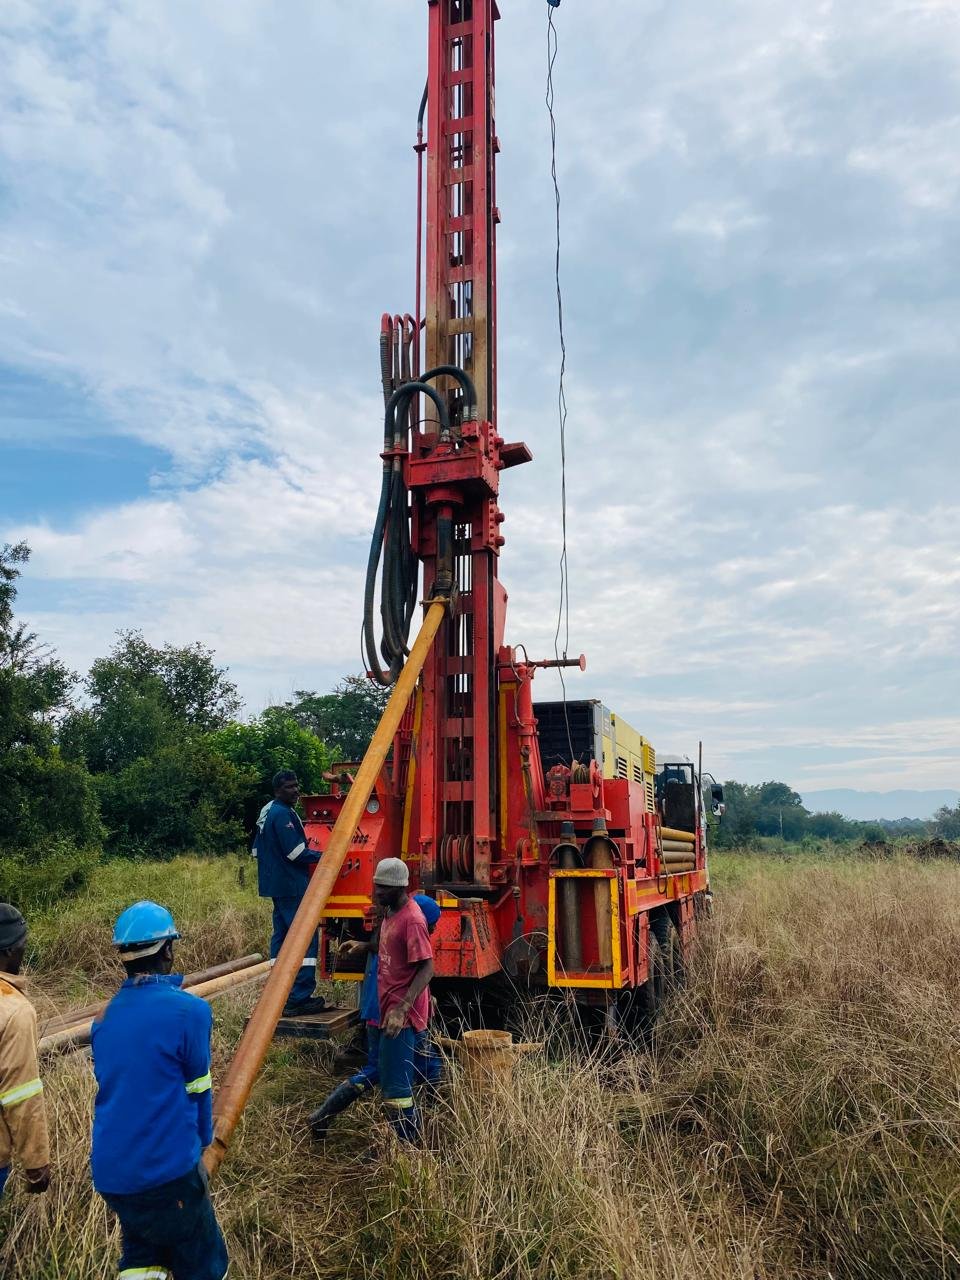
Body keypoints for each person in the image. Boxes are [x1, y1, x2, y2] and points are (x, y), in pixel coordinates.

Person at [90, 901, 228, 1280]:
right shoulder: (190, 1012)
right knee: (205, 1264)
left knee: (142, 1258)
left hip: (113, 1173)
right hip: (166, 1172)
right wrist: (203, 1143)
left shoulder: (103, 1018)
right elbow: (198, 1087)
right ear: (168, 949)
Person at [307, 893, 442, 1140]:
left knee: (378, 1070)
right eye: (432, 924)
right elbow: (414, 975)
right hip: (397, 1022)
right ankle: (416, 1136)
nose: (432, 930)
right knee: (427, 1070)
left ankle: (323, 1115)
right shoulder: (407, 937)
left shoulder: (390, 937)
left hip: (378, 1017)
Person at [372, 859, 435, 1144]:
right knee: (421, 1068)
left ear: (399, 888)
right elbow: (387, 946)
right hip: (391, 1008)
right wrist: (362, 947)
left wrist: (401, 1009)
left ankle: (408, 1145)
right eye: (376, 885)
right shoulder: (390, 912)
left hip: (402, 1015)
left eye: (382, 887)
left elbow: (427, 968)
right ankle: (432, 1114)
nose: (376, 892)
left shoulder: (413, 920)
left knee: (397, 1089)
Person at [254, 769, 325, 1017]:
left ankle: (279, 993)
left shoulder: (267, 811)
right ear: (277, 790)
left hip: (276, 885)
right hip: (292, 885)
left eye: (296, 786)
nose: (295, 791)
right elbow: (295, 853)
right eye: (289, 787)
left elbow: (256, 851)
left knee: (282, 938)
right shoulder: (283, 814)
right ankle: (299, 997)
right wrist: (326, 856)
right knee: (305, 938)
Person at [0, 904, 50, 1201]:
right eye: (22, 946)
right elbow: (20, 1092)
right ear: (8, 952)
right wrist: (36, 1162)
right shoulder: (14, 1011)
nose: (23, 953)